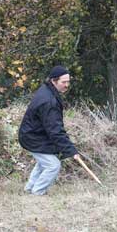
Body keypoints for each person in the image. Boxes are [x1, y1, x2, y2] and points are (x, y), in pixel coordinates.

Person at [18, 65, 81, 195]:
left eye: (68, 81)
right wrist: (70, 150)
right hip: (32, 137)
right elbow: (55, 130)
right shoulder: (49, 101)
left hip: (35, 134)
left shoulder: (47, 90)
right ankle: (37, 192)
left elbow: (52, 128)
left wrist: (68, 149)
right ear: (54, 81)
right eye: (64, 82)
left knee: (44, 162)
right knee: (53, 165)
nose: (67, 85)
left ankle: (29, 188)